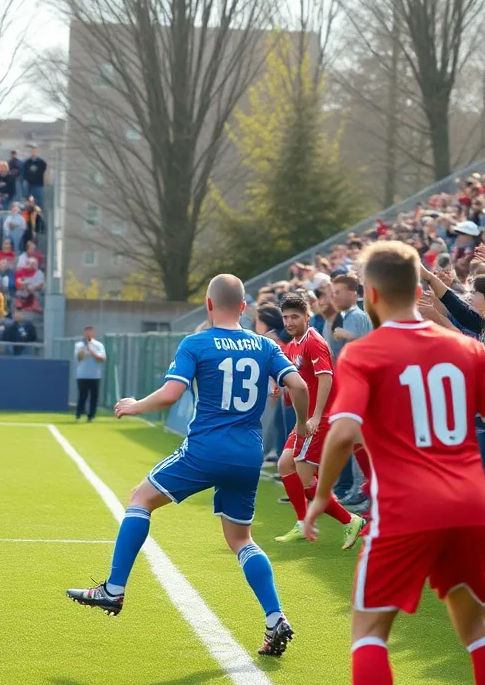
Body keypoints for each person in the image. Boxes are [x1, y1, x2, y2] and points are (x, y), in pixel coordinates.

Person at [305, 241, 485, 685]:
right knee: (478, 631)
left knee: (368, 635)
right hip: (471, 506)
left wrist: (322, 496)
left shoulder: (364, 352)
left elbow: (342, 434)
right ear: (417, 288)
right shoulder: (466, 348)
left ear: (371, 292)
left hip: (407, 510)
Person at [67, 274, 311, 659]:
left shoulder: (196, 342)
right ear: (244, 308)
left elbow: (170, 394)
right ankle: (274, 616)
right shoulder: (265, 345)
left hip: (205, 450)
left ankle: (114, 588)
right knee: (241, 540)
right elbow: (299, 386)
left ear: (209, 306)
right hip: (247, 454)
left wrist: (134, 405)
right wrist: (301, 425)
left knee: (140, 499)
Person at [270, 293, 366, 548]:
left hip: (320, 418)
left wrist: (315, 416)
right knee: (284, 465)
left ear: (306, 317)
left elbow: (326, 378)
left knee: (304, 480)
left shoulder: (314, 341)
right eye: (286, 317)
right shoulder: (293, 344)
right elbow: (301, 381)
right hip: (306, 419)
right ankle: (307, 522)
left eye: (294, 317)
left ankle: (348, 520)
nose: (289, 322)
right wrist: (284, 391)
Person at [74, 326, 106, 421]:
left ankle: (91, 415)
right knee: (82, 395)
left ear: (93, 333)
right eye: (86, 332)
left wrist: (92, 352)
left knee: (94, 396)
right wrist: (85, 348)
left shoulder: (98, 345)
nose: (88, 334)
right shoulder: (78, 345)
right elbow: (79, 358)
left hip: (95, 375)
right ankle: (79, 413)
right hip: (82, 375)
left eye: (90, 332)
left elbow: (102, 358)